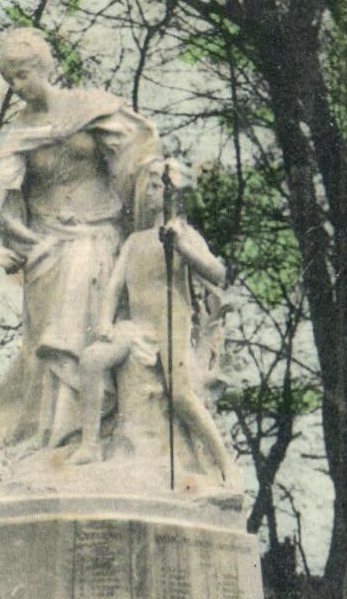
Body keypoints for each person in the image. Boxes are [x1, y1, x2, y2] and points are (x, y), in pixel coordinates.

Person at [0, 27, 159, 454]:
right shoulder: (21, 131)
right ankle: (52, 438)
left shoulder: (92, 108)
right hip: (46, 248)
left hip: (97, 236)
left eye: (23, 73)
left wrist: (160, 189)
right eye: (9, 78)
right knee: (45, 346)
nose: (17, 85)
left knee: (84, 334)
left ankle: (85, 435)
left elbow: (138, 163)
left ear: (44, 67)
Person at [74, 156, 238, 485]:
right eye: (147, 186)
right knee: (92, 359)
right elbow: (114, 286)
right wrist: (104, 321)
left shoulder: (185, 235)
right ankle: (89, 446)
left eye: (154, 187)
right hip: (136, 328)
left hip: (172, 327)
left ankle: (224, 462)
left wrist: (182, 247)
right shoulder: (135, 241)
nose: (148, 193)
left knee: (181, 394)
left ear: (171, 192)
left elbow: (218, 273)